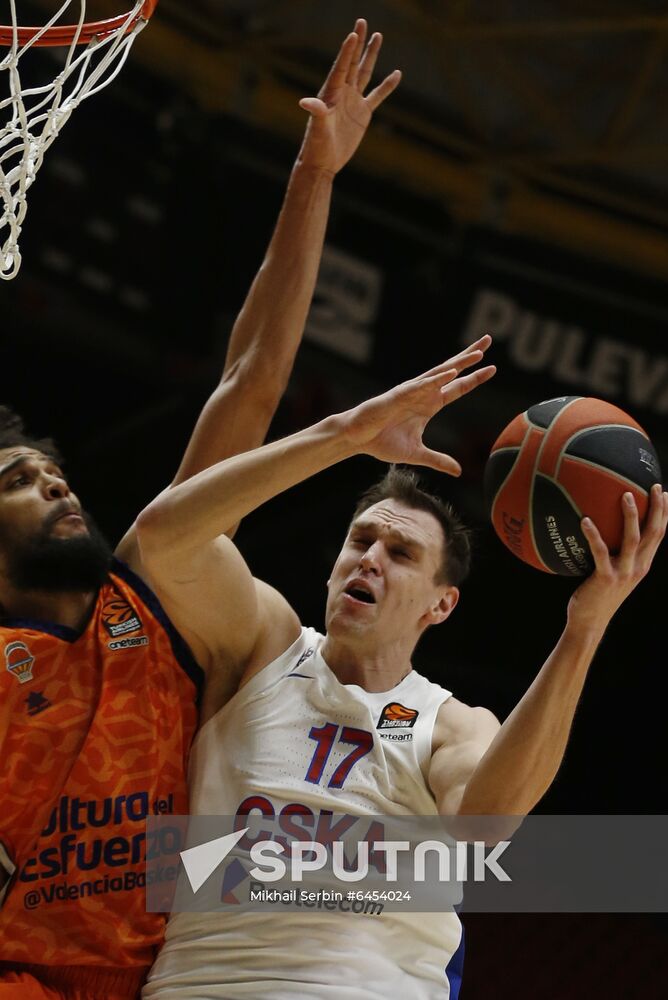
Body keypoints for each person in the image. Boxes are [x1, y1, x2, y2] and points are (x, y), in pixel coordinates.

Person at [0, 19, 401, 999]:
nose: (55, 482)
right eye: (15, 479)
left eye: (51, 470)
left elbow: (254, 382)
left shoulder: (149, 594)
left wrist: (317, 173)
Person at [136, 338, 668, 999]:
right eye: (360, 541)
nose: (369, 560)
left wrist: (583, 630)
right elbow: (160, 541)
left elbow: (484, 824)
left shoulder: (450, 724)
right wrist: (344, 434)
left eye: (400, 553)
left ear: (441, 604)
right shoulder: (261, 643)